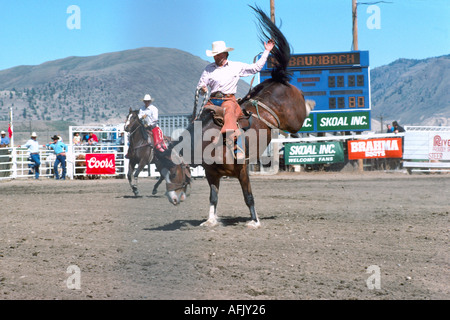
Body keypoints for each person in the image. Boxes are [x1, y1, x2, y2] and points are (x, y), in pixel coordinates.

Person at [197, 39, 275, 159]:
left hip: (228, 100)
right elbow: (201, 86)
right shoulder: (208, 69)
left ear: (226, 54)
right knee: (199, 120)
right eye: (215, 55)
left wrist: (266, 51)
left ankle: (235, 146)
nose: (216, 57)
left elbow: (256, 68)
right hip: (212, 100)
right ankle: (194, 148)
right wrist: (202, 89)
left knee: (229, 113)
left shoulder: (236, 66)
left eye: (219, 54)